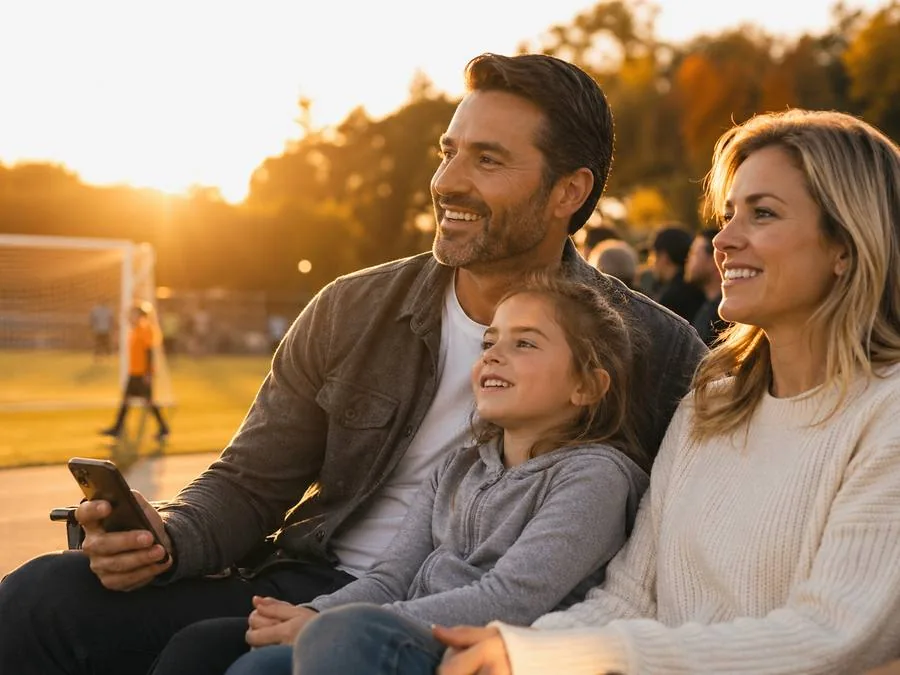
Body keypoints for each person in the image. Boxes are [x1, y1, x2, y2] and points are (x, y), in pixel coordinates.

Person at [0, 53, 705, 675]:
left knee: (211, 654)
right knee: (40, 598)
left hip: (475, 614)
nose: (447, 181)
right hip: (317, 577)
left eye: (487, 160)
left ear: (568, 193)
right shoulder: (352, 307)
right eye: (448, 151)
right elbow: (248, 481)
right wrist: (167, 534)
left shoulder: (657, 350)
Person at [427, 109, 900, 674]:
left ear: (845, 245)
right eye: (727, 215)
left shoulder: (884, 413)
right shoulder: (711, 403)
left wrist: (582, 653)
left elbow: (833, 637)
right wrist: (511, 649)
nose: (724, 240)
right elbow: (628, 597)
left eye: (763, 214)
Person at [223, 274, 649, 675]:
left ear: (587, 387)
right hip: (402, 635)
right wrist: (315, 613)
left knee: (339, 640)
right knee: (254, 664)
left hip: (477, 655)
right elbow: (391, 579)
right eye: (489, 342)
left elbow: (508, 600)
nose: (494, 355)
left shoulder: (593, 478)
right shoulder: (459, 465)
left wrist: (333, 627)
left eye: (525, 344)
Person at [99, 303, 170, 442]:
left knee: (148, 402)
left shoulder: (145, 329)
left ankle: (164, 428)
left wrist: (148, 374)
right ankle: (117, 428)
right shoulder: (135, 329)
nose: (130, 317)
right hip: (134, 372)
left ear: (140, 315)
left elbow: (149, 352)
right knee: (126, 401)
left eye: (133, 314)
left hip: (142, 373)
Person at [647, 225, 706, 321]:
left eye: (652, 256)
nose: (650, 263)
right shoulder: (699, 286)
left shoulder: (669, 298)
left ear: (664, 257)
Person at [685, 228, 729, 346]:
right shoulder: (706, 306)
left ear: (715, 258)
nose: (688, 259)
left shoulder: (725, 317)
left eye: (693, 253)